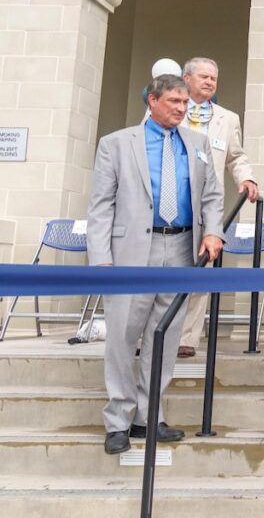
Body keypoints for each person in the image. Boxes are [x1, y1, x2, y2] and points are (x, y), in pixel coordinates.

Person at [87, 74, 224, 455]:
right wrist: (101, 259)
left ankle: (149, 417)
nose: (182, 108)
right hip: (131, 251)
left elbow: (212, 195)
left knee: (164, 336)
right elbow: (101, 206)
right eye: (174, 102)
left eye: (185, 103)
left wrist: (213, 232)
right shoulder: (116, 143)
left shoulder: (196, 143)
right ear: (152, 100)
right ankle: (117, 420)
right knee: (123, 336)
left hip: (181, 248)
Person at [177, 57, 259, 358]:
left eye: (214, 78)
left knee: (200, 272)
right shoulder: (167, 109)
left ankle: (187, 339)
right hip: (170, 204)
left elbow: (235, 157)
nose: (210, 82)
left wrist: (246, 178)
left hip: (206, 209)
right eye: (204, 77)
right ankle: (150, 335)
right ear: (187, 79)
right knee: (162, 273)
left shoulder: (227, 118)